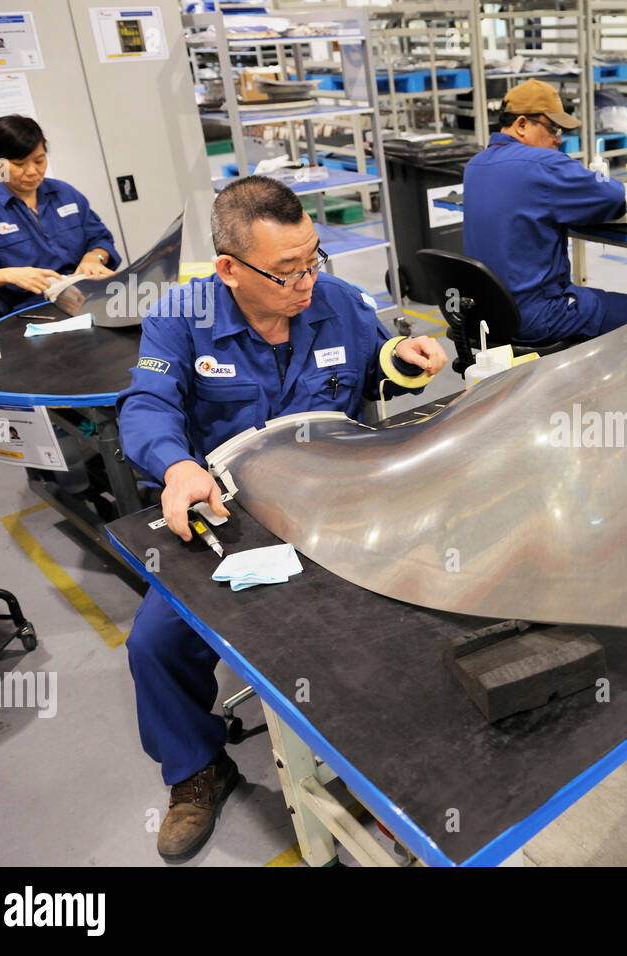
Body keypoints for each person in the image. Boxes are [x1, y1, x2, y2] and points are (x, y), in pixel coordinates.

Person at [115, 176, 446, 862]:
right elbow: (147, 406)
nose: (305, 282)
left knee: (405, 610)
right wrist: (178, 466)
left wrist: (404, 362)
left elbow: (375, 369)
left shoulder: (342, 301)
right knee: (154, 643)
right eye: (287, 270)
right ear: (229, 268)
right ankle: (195, 769)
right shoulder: (179, 316)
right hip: (228, 512)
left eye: (313, 259)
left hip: (336, 499)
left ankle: (394, 771)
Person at [463, 79, 627, 344]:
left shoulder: (474, 165)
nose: (558, 138)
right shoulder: (542, 164)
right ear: (522, 124)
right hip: (536, 316)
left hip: (485, 314)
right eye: (552, 128)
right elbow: (613, 196)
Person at [0, 114, 120, 319]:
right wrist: (10, 274)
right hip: (34, 313)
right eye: (19, 164)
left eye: (39, 160)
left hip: (89, 298)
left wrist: (95, 257)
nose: (32, 171)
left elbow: (100, 238)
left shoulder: (65, 194)